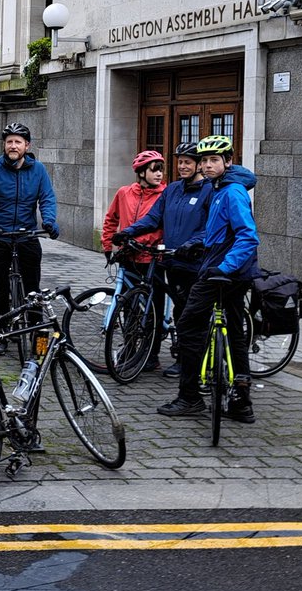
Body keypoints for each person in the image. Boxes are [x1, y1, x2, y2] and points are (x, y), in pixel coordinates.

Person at [156, 134, 259, 422]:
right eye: (205, 160)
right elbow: (222, 232)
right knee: (236, 331)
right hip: (232, 269)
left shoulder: (231, 191)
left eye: (214, 159)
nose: (208, 165)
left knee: (189, 323)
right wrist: (197, 245)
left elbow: (248, 237)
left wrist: (223, 267)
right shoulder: (218, 188)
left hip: (223, 272)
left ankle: (189, 397)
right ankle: (241, 403)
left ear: (228, 161)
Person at [113, 141, 212, 377]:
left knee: (185, 313)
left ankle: (186, 359)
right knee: (173, 308)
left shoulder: (209, 190)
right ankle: (150, 355)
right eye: (179, 162)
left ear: (199, 165)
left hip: (194, 261)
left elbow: (210, 226)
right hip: (170, 260)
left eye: (187, 162)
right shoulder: (172, 190)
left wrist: (192, 244)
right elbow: (153, 219)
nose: (182, 167)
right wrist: (128, 232)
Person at [0, 122, 59, 350]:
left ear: (26, 146)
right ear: (4, 145)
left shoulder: (38, 170)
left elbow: (47, 198)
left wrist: (48, 221)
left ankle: (36, 332)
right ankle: (0, 332)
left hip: (26, 234)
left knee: (33, 288)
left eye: (18, 142)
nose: (13, 145)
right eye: (9, 141)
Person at [101, 150, 168, 370]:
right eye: (154, 170)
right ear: (141, 172)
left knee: (152, 309)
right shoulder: (124, 193)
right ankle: (129, 348)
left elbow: (160, 226)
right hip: (128, 257)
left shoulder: (165, 194)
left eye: (161, 170)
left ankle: (151, 354)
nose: (159, 175)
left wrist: (142, 240)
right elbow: (111, 219)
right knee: (128, 306)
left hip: (152, 258)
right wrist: (107, 245)